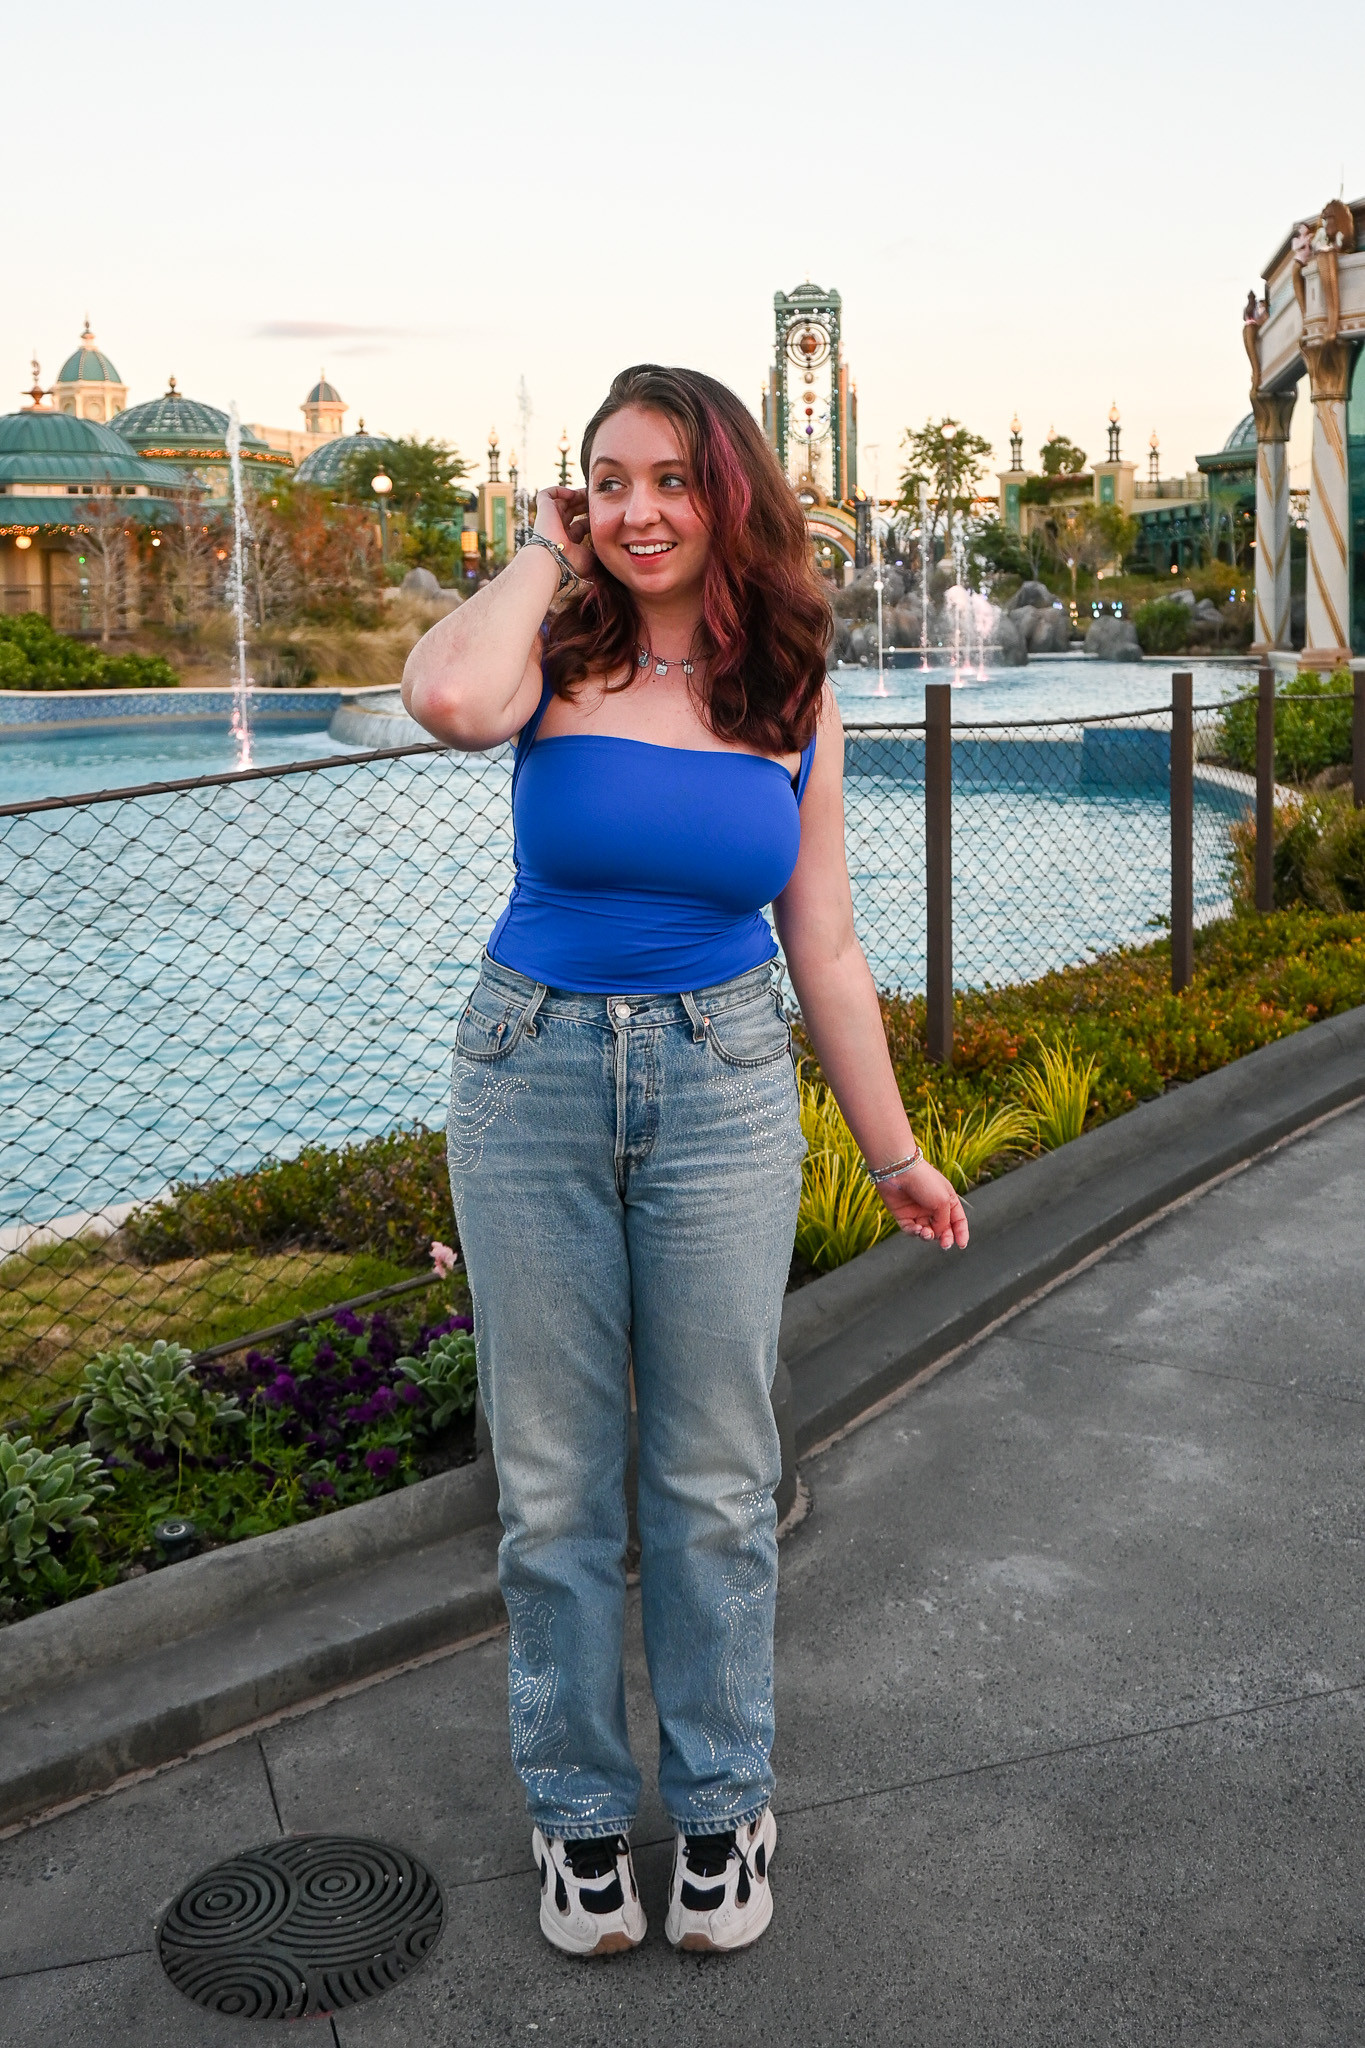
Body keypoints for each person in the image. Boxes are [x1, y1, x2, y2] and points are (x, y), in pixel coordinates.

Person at [402, 365, 968, 1959]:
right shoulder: (551, 654)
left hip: (721, 1082)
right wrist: (538, 552)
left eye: (667, 478)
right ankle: (580, 1818)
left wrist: (898, 1153)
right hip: (530, 1074)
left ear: (728, 494)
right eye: (606, 479)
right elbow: (444, 701)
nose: (636, 508)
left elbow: (830, 946)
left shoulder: (790, 689)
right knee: (555, 1482)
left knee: (714, 1477)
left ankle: (721, 1807)